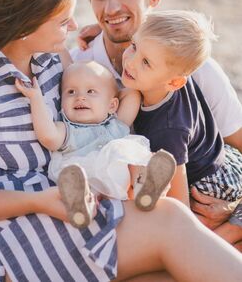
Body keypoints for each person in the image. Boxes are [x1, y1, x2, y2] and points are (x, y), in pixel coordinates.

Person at [0, 0, 242, 282]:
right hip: (9, 236)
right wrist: (38, 202)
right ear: (24, 23)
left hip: (69, 212)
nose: (73, 25)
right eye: (62, 20)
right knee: (170, 219)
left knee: (167, 273)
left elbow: (104, 88)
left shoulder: (54, 63)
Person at [70, 0, 242, 248]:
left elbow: (237, 147)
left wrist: (237, 216)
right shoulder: (80, 67)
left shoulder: (193, 67)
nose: (110, 8)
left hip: (200, 194)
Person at [15, 60, 176, 228]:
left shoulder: (116, 123)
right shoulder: (67, 129)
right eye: (71, 92)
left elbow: (132, 94)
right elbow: (48, 136)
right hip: (87, 178)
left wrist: (109, 99)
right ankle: (81, 206)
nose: (80, 97)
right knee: (78, 179)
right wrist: (36, 99)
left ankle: (144, 188)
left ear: (113, 104)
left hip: (120, 180)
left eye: (91, 91)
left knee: (132, 151)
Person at [121, 9, 242, 208]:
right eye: (134, 46)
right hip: (219, 156)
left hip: (211, 184)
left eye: (146, 62)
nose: (130, 62)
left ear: (175, 82)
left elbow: (181, 204)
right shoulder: (169, 77)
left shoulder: (169, 130)